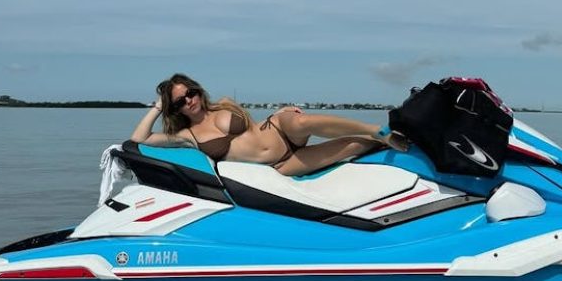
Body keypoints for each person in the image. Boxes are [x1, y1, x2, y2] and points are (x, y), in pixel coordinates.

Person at [130, 73, 406, 177]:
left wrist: (278, 113)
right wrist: (157, 106)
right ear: (174, 108)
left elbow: (253, 126)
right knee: (355, 147)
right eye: (179, 102)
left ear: (197, 90)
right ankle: (389, 142)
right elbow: (140, 138)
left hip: (278, 129)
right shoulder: (186, 135)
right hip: (282, 164)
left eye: (190, 93)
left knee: (303, 120)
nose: (189, 101)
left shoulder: (224, 103)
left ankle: (377, 129)